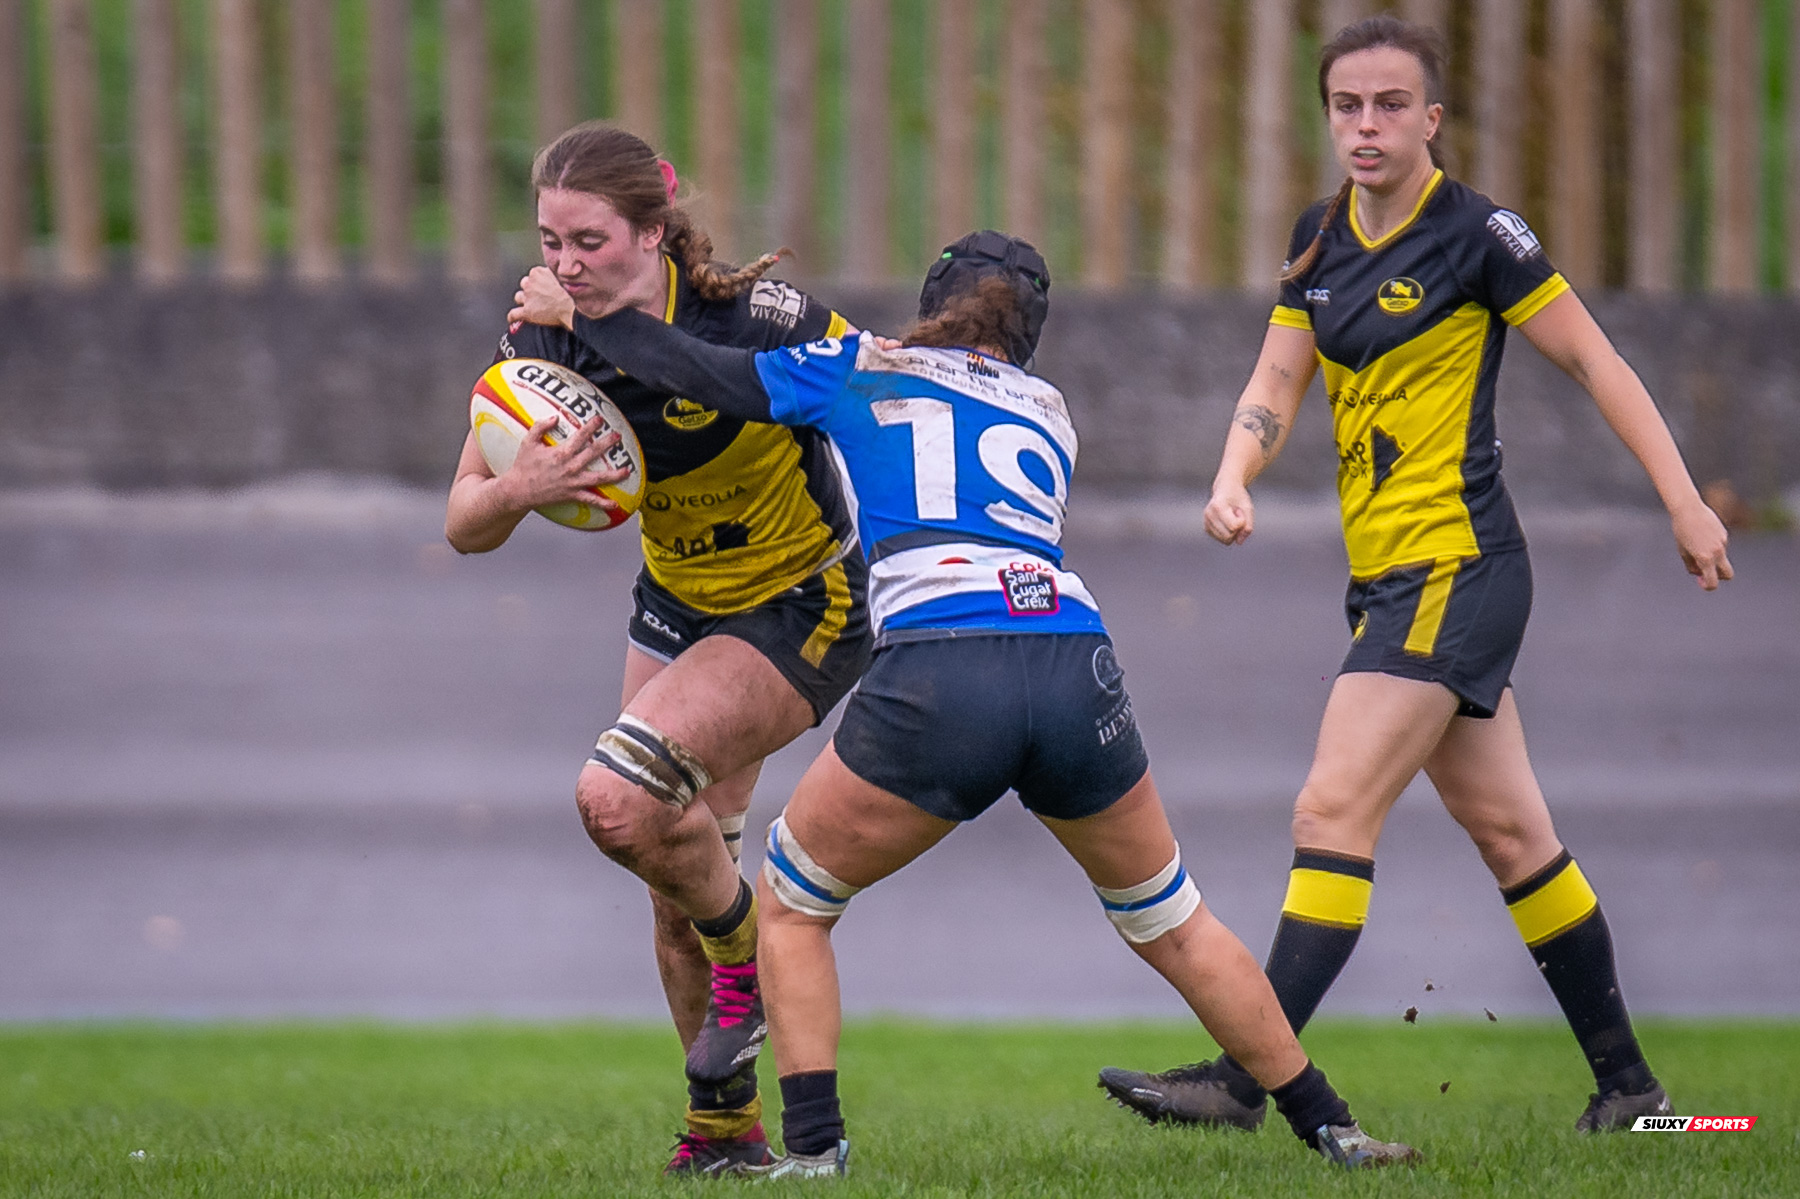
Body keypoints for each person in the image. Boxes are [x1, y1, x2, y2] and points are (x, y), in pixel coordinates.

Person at [511, 230, 1420, 1176]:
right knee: (1172, 918)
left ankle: (815, 1154)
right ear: (1029, 336)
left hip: (944, 666)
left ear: (931, 301)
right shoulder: (1051, 408)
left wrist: (581, 317)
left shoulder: (865, 365)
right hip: (1074, 659)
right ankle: (1335, 1128)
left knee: (785, 905)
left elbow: (708, 374)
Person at [1098, 16, 1732, 1135]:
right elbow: (1276, 378)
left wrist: (1683, 499)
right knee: (1514, 836)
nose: (1367, 125)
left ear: (1431, 119)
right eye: (1347, 105)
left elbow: (1595, 357)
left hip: (1460, 566)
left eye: (1391, 104)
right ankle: (1632, 1088)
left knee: (1331, 802)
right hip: (1391, 579)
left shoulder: (1480, 235)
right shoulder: (1317, 237)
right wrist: (1235, 469)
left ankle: (1245, 1077)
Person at [446, 122, 873, 1175]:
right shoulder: (542, 340)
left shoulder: (752, 316)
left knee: (617, 800)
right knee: (672, 872)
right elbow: (462, 519)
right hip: (677, 607)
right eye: (548, 241)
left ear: (653, 230)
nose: (563, 265)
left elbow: (864, 389)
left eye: (588, 241)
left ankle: (745, 957)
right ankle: (726, 1134)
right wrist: (517, 489)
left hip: (799, 601)